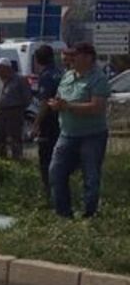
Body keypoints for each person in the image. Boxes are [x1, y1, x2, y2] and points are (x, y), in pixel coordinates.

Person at [48, 42, 111, 219]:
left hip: (92, 136)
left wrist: (68, 106)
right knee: (56, 172)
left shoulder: (98, 79)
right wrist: (57, 105)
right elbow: (60, 98)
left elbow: (96, 107)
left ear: (88, 57)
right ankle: (63, 213)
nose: (71, 59)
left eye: (75, 55)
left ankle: (89, 214)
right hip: (67, 134)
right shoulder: (67, 76)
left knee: (90, 176)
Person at [31, 45, 64, 199]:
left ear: (37, 60)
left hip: (49, 122)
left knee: (46, 157)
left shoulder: (46, 75)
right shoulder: (60, 73)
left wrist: (36, 123)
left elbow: (45, 103)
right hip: (61, 120)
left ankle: (48, 192)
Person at [0, 57, 32, 160]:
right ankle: (1, 160)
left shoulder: (20, 80)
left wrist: (18, 109)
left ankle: (17, 159)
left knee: (14, 138)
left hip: (14, 112)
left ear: (7, 68)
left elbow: (27, 98)